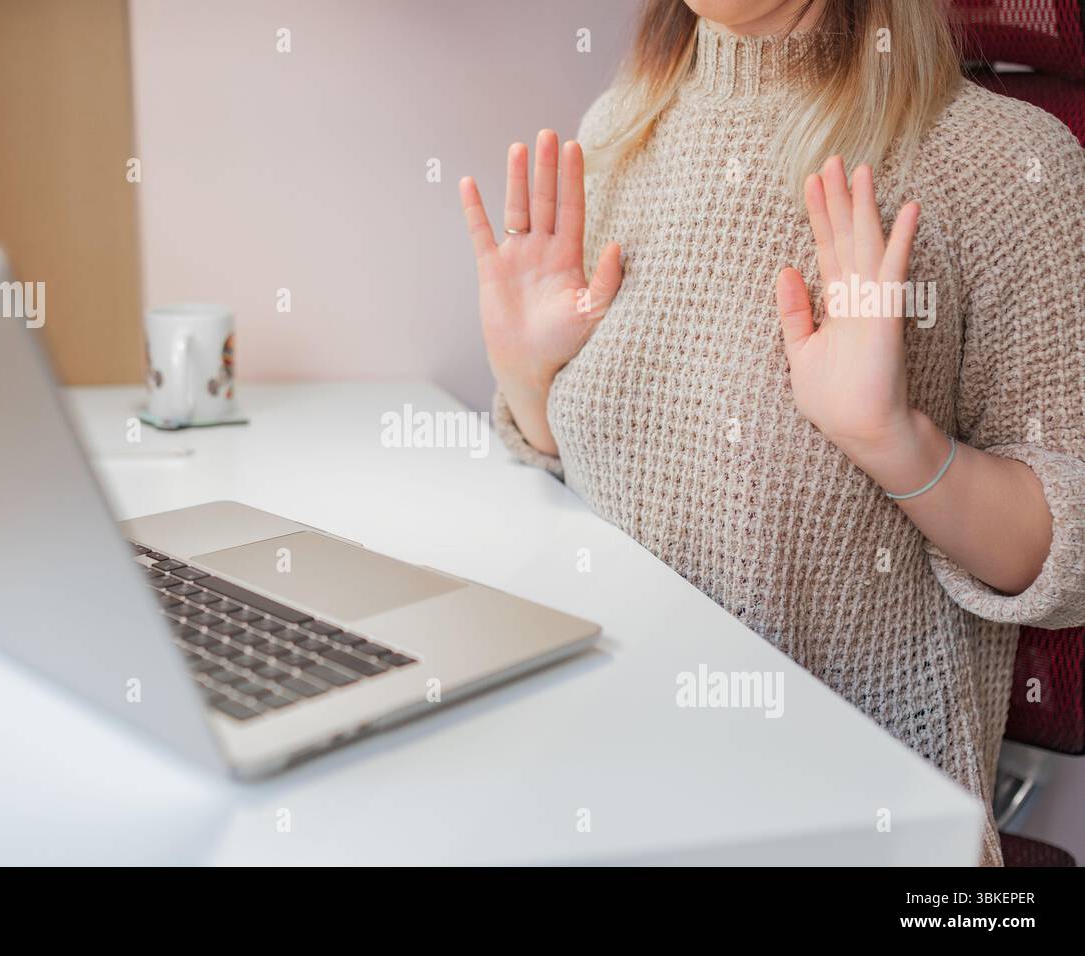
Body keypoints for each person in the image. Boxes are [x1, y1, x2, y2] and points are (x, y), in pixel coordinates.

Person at [459, 0, 1085, 865]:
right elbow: (593, 490)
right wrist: (530, 379)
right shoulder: (619, 132)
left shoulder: (1011, 163)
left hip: (850, 831)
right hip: (612, 787)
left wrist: (893, 441)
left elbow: (1062, 563)